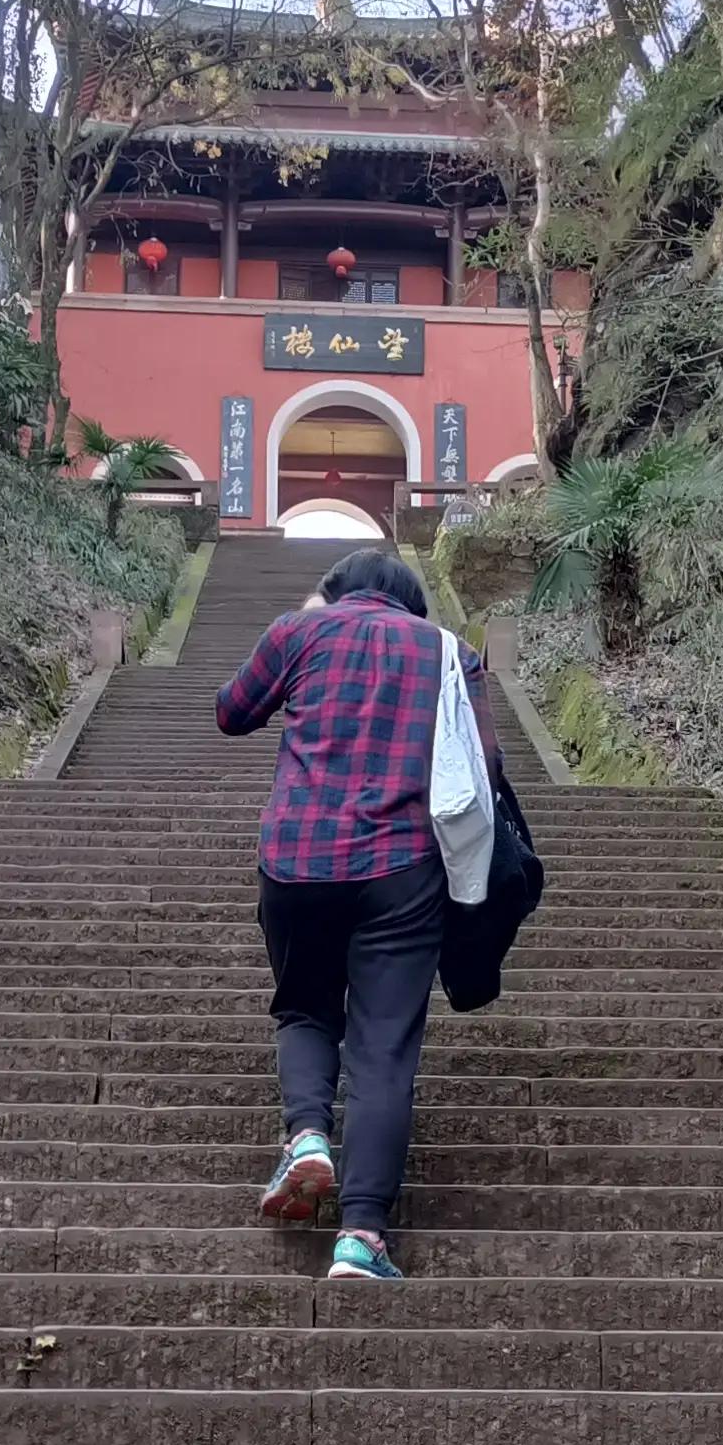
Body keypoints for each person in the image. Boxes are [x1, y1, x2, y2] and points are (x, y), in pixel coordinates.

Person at [214, 541, 486, 1284]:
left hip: (297, 859)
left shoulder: (300, 631)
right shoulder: (448, 650)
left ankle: (307, 1137)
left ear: (335, 592)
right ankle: (361, 1237)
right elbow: (482, 764)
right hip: (404, 872)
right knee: (383, 1048)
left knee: (305, 1009)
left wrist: (305, 624)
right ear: (411, 602)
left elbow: (231, 712)